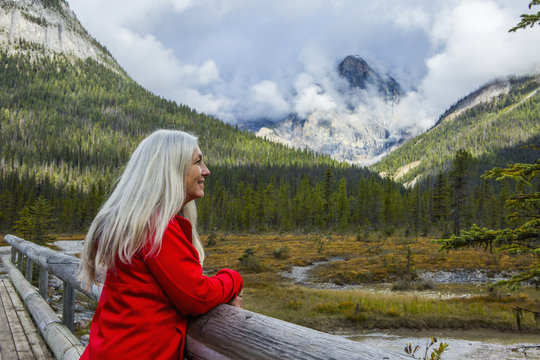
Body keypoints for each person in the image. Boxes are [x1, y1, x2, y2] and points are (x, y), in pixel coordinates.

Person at [78, 129, 243, 360]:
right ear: (172, 169)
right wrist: (233, 279)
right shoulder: (156, 227)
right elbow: (197, 296)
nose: (206, 171)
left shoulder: (135, 221)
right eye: (198, 162)